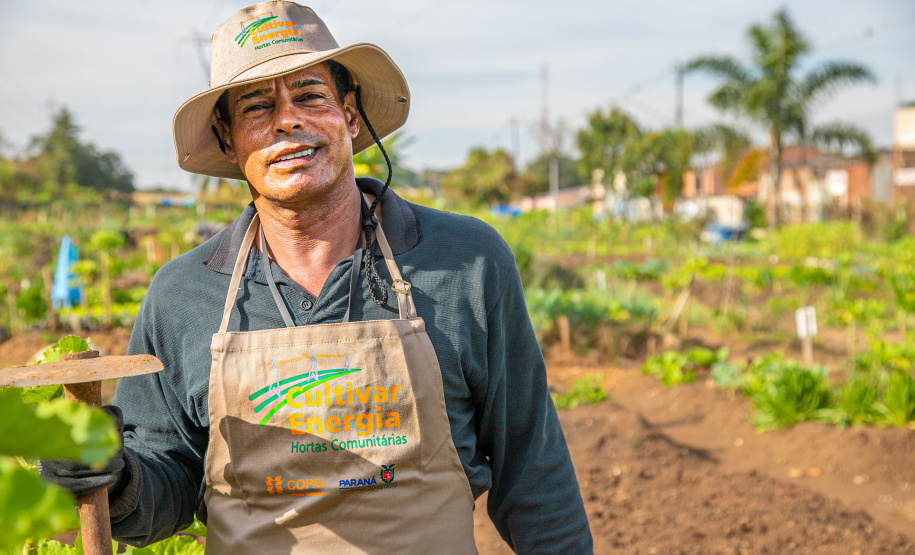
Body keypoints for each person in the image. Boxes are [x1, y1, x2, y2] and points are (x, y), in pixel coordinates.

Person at [41, 2, 593, 552]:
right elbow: (169, 484)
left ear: (350, 117)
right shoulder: (183, 294)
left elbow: (533, 472)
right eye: (257, 107)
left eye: (309, 96)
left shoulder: (466, 263)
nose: (288, 120)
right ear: (229, 140)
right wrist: (112, 480)